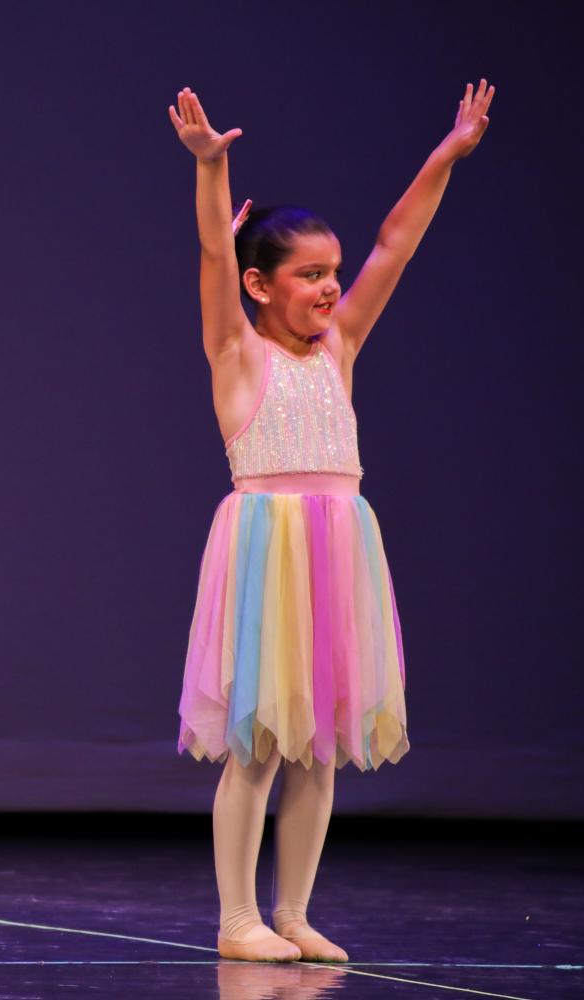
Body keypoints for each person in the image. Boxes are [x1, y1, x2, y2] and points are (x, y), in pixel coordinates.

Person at [168, 81, 494, 962]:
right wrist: (213, 165)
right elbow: (209, 252)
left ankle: (295, 911)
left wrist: (447, 153)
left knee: (318, 748)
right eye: (310, 275)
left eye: (331, 273)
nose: (330, 287)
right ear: (258, 285)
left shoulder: (341, 344)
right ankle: (238, 919)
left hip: (339, 547)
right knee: (260, 745)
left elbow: (397, 243)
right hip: (268, 550)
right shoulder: (238, 354)